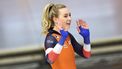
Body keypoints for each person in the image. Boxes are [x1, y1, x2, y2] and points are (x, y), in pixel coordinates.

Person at [41, 3, 91, 69]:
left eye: (70, 15)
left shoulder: (68, 36)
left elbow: (86, 55)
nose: (69, 18)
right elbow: (50, 59)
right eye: (65, 16)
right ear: (55, 19)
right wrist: (62, 39)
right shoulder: (51, 37)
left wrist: (86, 38)